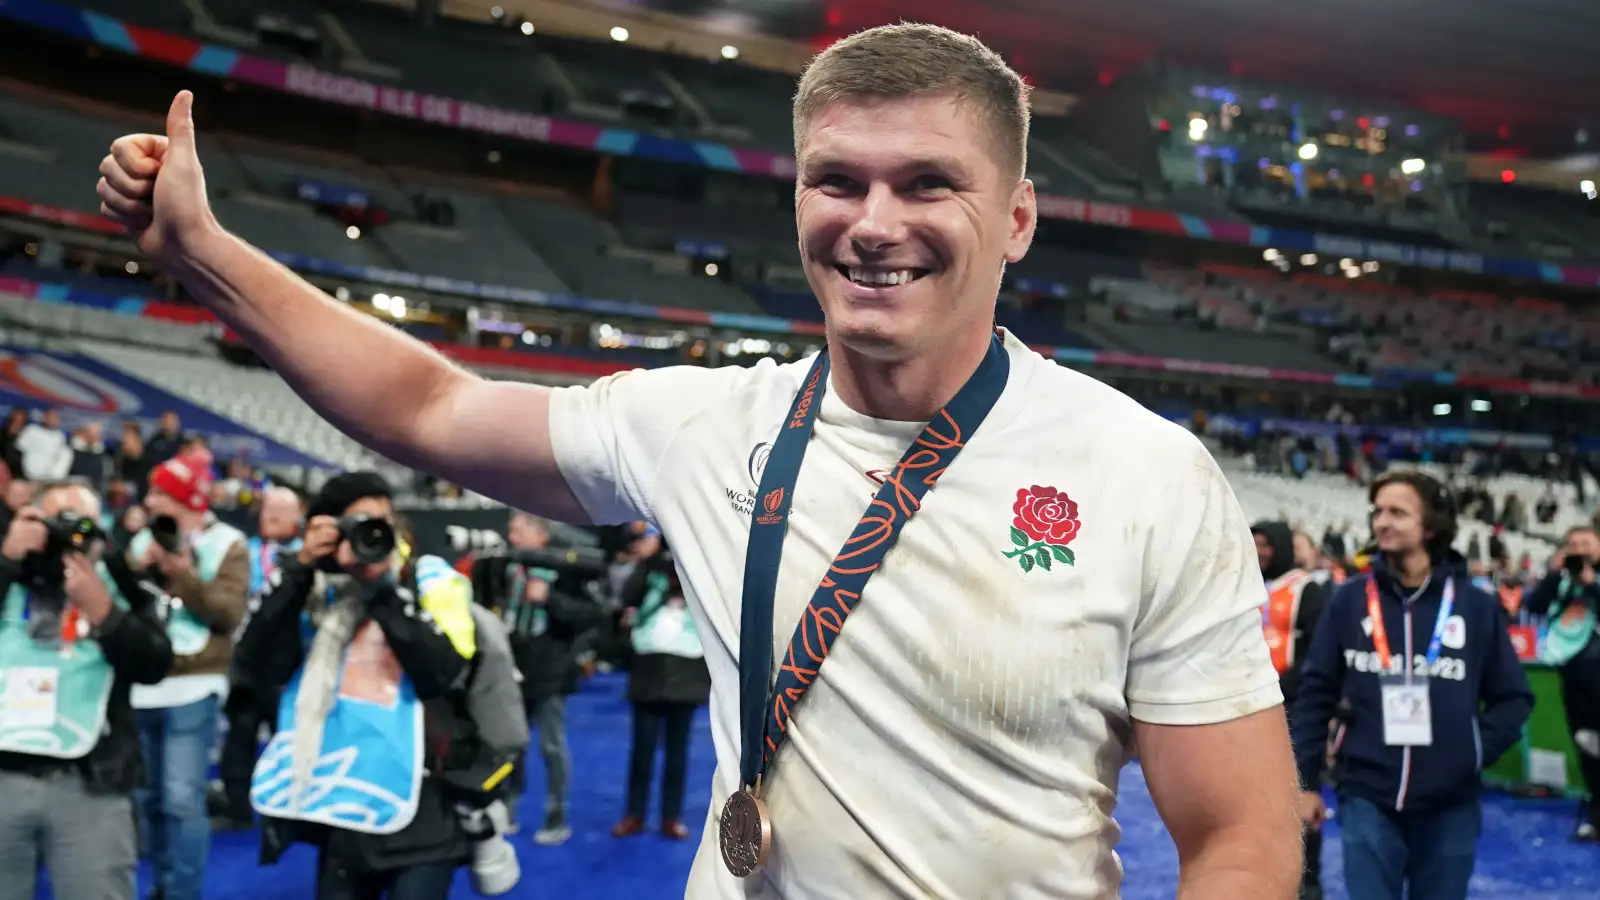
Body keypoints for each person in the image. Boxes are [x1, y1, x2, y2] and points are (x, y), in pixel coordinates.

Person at [96, 23, 1303, 898]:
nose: (874, 223)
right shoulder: (703, 427)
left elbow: (1240, 840)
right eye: (838, 180)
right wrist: (206, 256)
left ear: (1019, 219)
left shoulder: (1144, 473)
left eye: (929, 183)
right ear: (797, 201)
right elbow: (430, 405)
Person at [235, 472, 486, 900]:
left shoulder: (427, 578)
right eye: (357, 524)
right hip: (341, 800)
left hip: (424, 799)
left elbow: (445, 672)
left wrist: (381, 588)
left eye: (381, 521)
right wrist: (300, 569)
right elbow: (256, 660)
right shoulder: (313, 585)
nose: (373, 533)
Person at [1291, 469, 1534, 900]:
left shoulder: (1476, 607)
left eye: (1397, 512)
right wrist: (1306, 783)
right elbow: (1315, 695)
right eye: (1377, 511)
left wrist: (1471, 749)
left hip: (1451, 802)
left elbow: (1514, 697)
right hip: (1366, 792)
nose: (1382, 521)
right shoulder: (1349, 600)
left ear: (1431, 525)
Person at [0, 481, 174, 900]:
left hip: (91, 781)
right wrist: (7, 560)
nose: (66, 534)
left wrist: (105, 613)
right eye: (55, 520)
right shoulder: (8, 568)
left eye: (80, 523)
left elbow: (155, 663)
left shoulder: (119, 581)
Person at [127, 448, 251, 900]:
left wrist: (183, 575)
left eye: (159, 491)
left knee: (181, 798)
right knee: (148, 800)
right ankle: (162, 885)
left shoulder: (229, 544)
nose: (150, 498)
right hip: (143, 686)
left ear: (183, 498)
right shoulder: (143, 542)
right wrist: (135, 573)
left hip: (195, 685)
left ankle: (183, 893)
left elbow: (228, 614)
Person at [477, 511, 603, 845]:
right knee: (510, 742)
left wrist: (550, 599)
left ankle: (556, 814)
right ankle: (507, 809)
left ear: (541, 534)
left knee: (551, 746)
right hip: (513, 665)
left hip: (551, 669)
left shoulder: (567, 569)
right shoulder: (508, 566)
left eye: (517, 529)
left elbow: (592, 613)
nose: (511, 535)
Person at [216, 484, 305, 829]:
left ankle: (287, 813)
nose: (271, 517)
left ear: (297, 518)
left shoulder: (305, 556)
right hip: (245, 660)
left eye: (280, 513)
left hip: (288, 662)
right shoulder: (245, 552)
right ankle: (237, 805)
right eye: (268, 511)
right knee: (239, 736)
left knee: (288, 739)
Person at [1251, 520, 1330, 900]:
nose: (1260, 551)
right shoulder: (1241, 584)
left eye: (1266, 544)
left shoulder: (1307, 589)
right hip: (1247, 705)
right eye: (1254, 544)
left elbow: (1318, 650)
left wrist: (1285, 687)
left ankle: (1307, 881)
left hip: (1293, 705)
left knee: (1297, 793)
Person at [613, 541, 711, 840]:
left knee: (677, 751)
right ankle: (635, 814)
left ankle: (671, 816)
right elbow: (627, 598)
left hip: (687, 669)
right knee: (641, 750)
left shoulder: (701, 568)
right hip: (649, 670)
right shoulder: (649, 568)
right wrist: (651, 564)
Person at [1523, 525, 1600, 841]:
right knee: (1586, 742)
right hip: (1574, 674)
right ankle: (1597, 810)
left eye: (1586, 543)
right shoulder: (1562, 579)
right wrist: (1556, 574)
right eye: (1572, 544)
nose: (1578, 549)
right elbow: (1535, 606)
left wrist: (1591, 583)